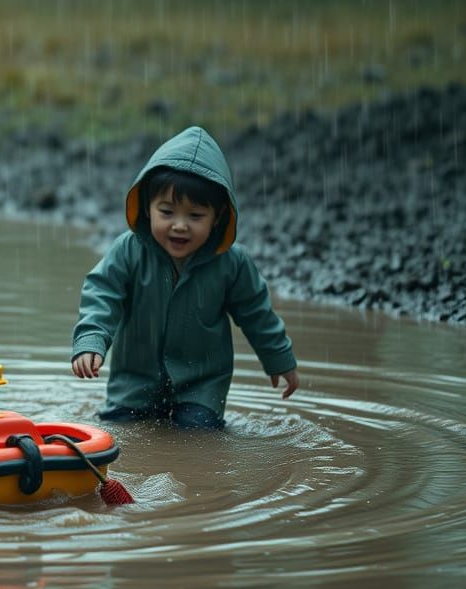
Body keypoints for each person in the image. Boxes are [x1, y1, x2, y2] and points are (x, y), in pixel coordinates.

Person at [71, 125, 298, 430]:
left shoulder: (231, 262)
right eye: (167, 212)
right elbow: (102, 294)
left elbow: (257, 314)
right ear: (148, 209)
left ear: (217, 217)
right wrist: (91, 340)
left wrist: (279, 359)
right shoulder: (129, 250)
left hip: (201, 385)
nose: (180, 226)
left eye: (195, 216)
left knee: (199, 437)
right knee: (120, 435)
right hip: (134, 381)